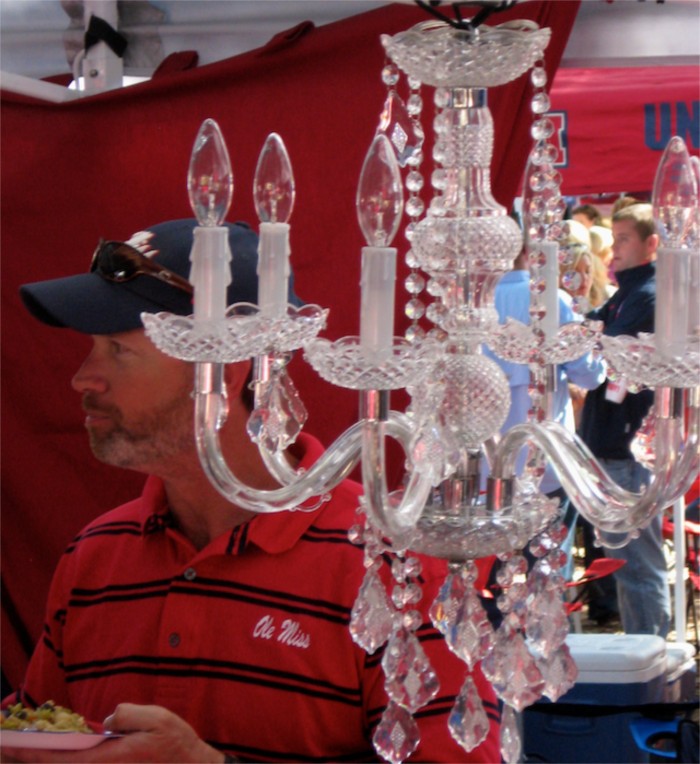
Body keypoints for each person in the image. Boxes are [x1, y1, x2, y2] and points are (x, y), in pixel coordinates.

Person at [3, 219, 500, 763]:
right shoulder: (94, 558)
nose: (83, 378)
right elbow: (37, 733)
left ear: (226, 371)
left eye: (118, 350)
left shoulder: (391, 562)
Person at [484, 247, 606, 582]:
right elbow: (590, 375)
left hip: (486, 467)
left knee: (493, 583)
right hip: (544, 465)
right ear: (527, 251)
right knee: (545, 580)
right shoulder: (552, 300)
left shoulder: (471, 304)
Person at [578, 204, 672, 637]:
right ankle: (645, 655)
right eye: (613, 238)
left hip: (629, 448)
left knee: (638, 567)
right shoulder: (627, 293)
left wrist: (589, 339)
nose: (613, 250)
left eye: (624, 239)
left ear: (652, 244)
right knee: (626, 567)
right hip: (612, 445)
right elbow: (586, 335)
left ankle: (652, 661)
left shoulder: (650, 295)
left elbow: (601, 348)